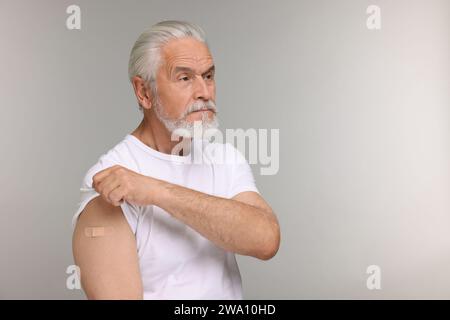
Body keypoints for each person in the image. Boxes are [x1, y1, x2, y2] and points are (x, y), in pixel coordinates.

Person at [72, 20, 280, 300]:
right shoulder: (110, 184)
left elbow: (266, 240)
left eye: (208, 76)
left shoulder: (225, 157)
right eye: (184, 78)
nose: (204, 92)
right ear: (144, 92)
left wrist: (156, 191)